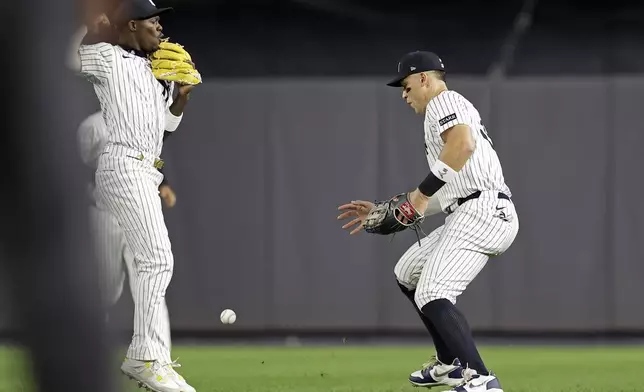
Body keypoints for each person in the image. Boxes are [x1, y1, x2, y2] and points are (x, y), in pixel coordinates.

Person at [337, 51, 519, 392]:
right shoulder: (441, 113)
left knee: (433, 291)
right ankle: (451, 363)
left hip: (483, 211)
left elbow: (462, 145)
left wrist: (418, 198)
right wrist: (390, 208)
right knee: (408, 273)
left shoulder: (443, 101)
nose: (404, 96)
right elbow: (452, 186)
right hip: (471, 208)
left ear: (424, 78)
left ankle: (479, 378)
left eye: (406, 87)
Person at [67, 1, 196, 390]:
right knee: (155, 260)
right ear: (133, 25)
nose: (161, 28)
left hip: (145, 167)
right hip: (123, 163)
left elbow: (161, 136)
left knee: (152, 264)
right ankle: (145, 359)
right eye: (154, 22)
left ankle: (152, 357)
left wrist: (179, 102)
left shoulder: (156, 74)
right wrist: (96, 28)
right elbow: (76, 57)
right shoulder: (109, 58)